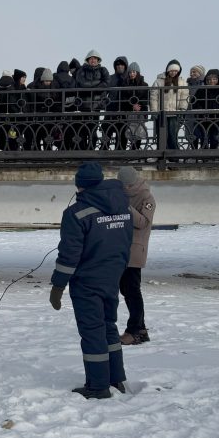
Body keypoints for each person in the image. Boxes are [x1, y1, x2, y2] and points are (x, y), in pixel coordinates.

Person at [49, 161, 133, 399]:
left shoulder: (76, 213)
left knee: (93, 332)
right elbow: (126, 244)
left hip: (87, 282)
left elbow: (69, 255)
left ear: (80, 186)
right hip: (112, 278)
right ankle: (115, 378)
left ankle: (98, 386)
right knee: (109, 328)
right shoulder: (123, 208)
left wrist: (58, 285)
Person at [116, 166, 156, 346]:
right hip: (120, 248)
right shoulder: (118, 192)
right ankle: (140, 330)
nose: (124, 189)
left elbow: (144, 222)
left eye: (126, 186)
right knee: (126, 291)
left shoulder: (146, 197)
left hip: (134, 249)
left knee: (132, 292)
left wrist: (127, 207)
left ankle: (135, 331)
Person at [150, 60, 188, 151]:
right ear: (168, 70)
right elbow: (153, 97)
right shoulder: (159, 81)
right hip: (162, 113)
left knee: (173, 134)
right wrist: (154, 111)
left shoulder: (182, 82)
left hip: (174, 113)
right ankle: (161, 154)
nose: (173, 72)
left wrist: (182, 109)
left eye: (175, 71)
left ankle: (174, 155)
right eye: (171, 70)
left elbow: (185, 96)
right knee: (162, 134)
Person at [191, 69, 219, 150]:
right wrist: (200, 111)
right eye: (209, 79)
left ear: (218, 80)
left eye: (214, 79)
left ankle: (213, 152)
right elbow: (194, 102)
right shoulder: (201, 90)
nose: (211, 81)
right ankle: (204, 152)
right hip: (201, 117)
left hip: (215, 117)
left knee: (214, 135)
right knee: (203, 135)